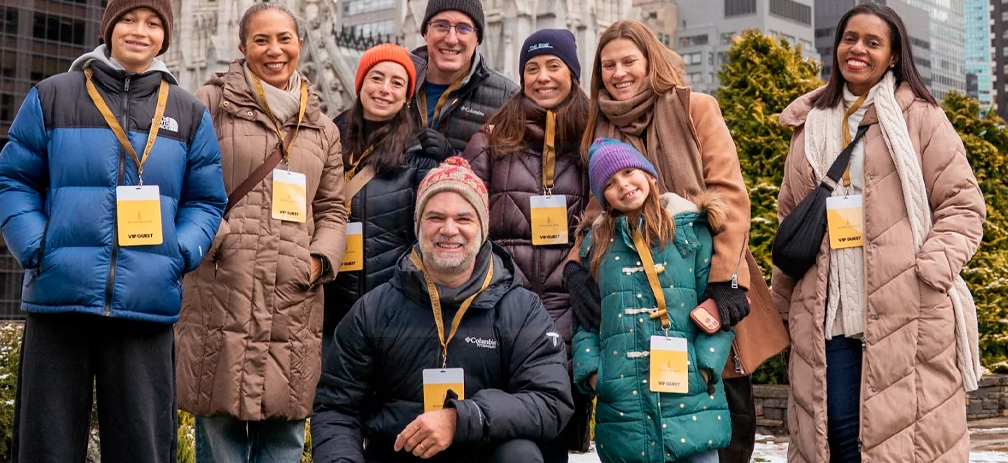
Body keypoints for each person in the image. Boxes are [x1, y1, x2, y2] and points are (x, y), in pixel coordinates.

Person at [0, 0, 227, 463]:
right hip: (60, 298)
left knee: (143, 447)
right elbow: (12, 179)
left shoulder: (188, 112)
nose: (140, 31)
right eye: (129, 19)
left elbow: (206, 200)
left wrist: (177, 253)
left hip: (146, 301)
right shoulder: (53, 95)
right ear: (109, 27)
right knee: (47, 447)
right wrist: (38, 247)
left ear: (165, 35)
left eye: (153, 23)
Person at [770, 3, 986, 463]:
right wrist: (783, 308)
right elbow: (791, 218)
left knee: (899, 439)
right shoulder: (808, 123)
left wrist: (930, 270)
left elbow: (963, 204)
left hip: (906, 306)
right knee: (837, 433)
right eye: (850, 39)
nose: (858, 50)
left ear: (893, 56)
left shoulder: (920, 116)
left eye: (873, 42)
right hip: (828, 310)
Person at [565, 20, 788, 463]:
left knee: (726, 412)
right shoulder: (600, 129)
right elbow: (595, 213)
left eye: (629, 61)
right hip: (635, 291)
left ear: (650, 60)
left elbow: (729, 197)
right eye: (608, 65)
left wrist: (723, 282)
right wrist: (576, 265)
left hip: (703, 281)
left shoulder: (695, 108)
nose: (618, 73)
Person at [312, 156, 574, 463]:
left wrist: (461, 418)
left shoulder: (522, 310)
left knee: (520, 454)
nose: (449, 229)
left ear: (482, 229)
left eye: (464, 219)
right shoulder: (374, 311)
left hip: (485, 454)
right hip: (400, 454)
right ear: (418, 226)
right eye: (435, 217)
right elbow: (336, 408)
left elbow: (550, 400)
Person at [175, 3, 348, 463]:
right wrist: (213, 242)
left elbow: (333, 209)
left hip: (293, 297)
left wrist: (318, 261)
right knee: (220, 430)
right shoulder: (211, 104)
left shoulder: (322, 128)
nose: (275, 50)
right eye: (262, 40)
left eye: (284, 39)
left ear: (299, 44)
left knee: (284, 434)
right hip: (221, 290)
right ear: (242, 47)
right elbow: (181, 184)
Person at [462, 28, 592, 461]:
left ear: (572, 74)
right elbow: (464, 214)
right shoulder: (491, 138)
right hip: (503, 311)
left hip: (570, 311)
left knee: (554, 433)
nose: (542, 77)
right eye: (531, 68)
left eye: (554, 66)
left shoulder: (593, 141)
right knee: (506, 437)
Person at [573, 138, 736, 463]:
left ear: (648, 173)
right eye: (609, 183)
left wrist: (704, 368)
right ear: (603, 197)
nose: (623, 185)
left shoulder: (691, 231)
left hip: (691, 402)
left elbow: (718, 306)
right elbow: (585, 322)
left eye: (628, 172)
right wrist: (594, 374)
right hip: (624, 410)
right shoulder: (597, 247)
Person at [325, 43, 441, 342]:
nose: (385, 89)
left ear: (406, 97)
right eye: (376, 78)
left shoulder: (419, 157)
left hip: (394, 315)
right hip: (327, 312)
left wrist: (402, 297)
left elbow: (427, 241)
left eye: (397, 83)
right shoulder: (327, 143)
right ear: (360, 84)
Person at [409, 0, 519, 156]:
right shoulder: (395, 83)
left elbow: (513, 168)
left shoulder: (507, 98)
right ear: (425, 33)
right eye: (441, 26)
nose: (451, 39)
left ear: (477, 39)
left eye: (464, 28)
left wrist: (453, 157)